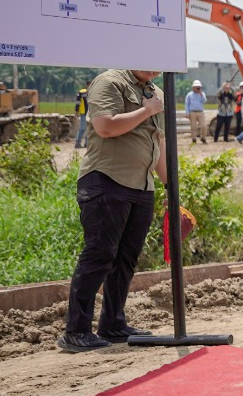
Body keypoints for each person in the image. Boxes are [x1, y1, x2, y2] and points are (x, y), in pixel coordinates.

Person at [57, 69, 165, 353]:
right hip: (107, 181)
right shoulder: (110, 82)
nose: (156, 67)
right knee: (99, 254)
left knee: (126, 258)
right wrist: (146, 110)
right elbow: (105, 126)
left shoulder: (155, 92)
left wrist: (171, 186)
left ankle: (113, 324)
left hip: (141, 186)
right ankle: (76, 330)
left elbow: (158, 142)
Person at [184, 79, 207, 145]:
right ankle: (194, 139)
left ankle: (203, 138)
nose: (197, 88)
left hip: (200, 112)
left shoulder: (202, 94)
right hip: (192, 112)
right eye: (196, 87)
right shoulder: (189, 95)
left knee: (203, 126)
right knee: (193, 126)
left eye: (198, 87)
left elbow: (205, 101)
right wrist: (187, 113)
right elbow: (187, 104)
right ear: (193, 87)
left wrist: (201, 94)